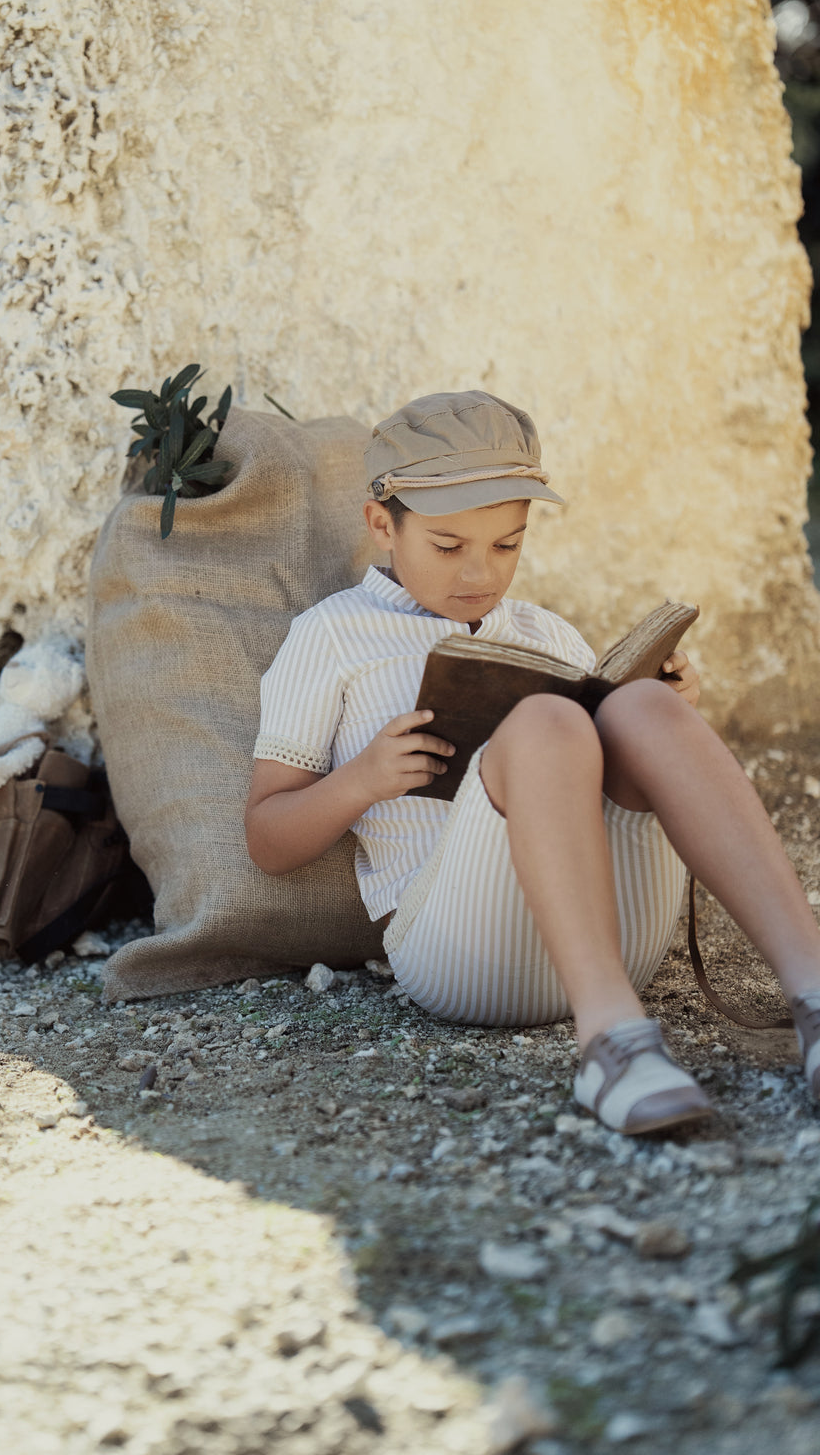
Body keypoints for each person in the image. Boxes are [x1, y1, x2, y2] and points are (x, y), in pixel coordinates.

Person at [245, 390, 820, 1135]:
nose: (480, 573)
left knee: (643, 709)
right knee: (548, 720)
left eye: (507, 544)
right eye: (448, 546)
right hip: (460, 953)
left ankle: (811, 991)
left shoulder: (547, 633)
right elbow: (266, 841)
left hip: (616, 935)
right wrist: (362, 781)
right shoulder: (329, 638)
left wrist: (664, 705)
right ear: (381, 524)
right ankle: (610, 1046)